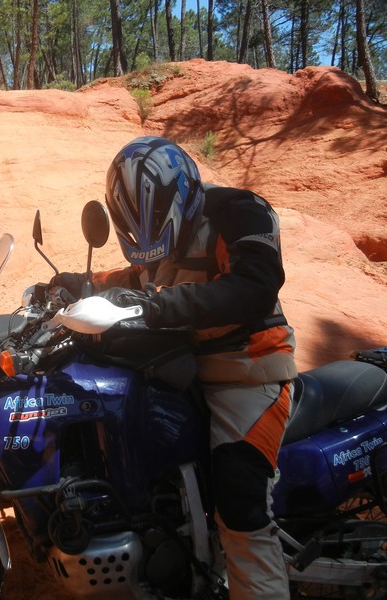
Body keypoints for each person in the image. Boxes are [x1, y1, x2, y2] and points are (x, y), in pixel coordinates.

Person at [54, 136, 296, 599]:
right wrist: (77, 284)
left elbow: (254, 288)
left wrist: (156, 307)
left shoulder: (242, 213)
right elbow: (137, 278)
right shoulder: (154, 242)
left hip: (247, 373)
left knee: (239, 501)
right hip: (178, 371)